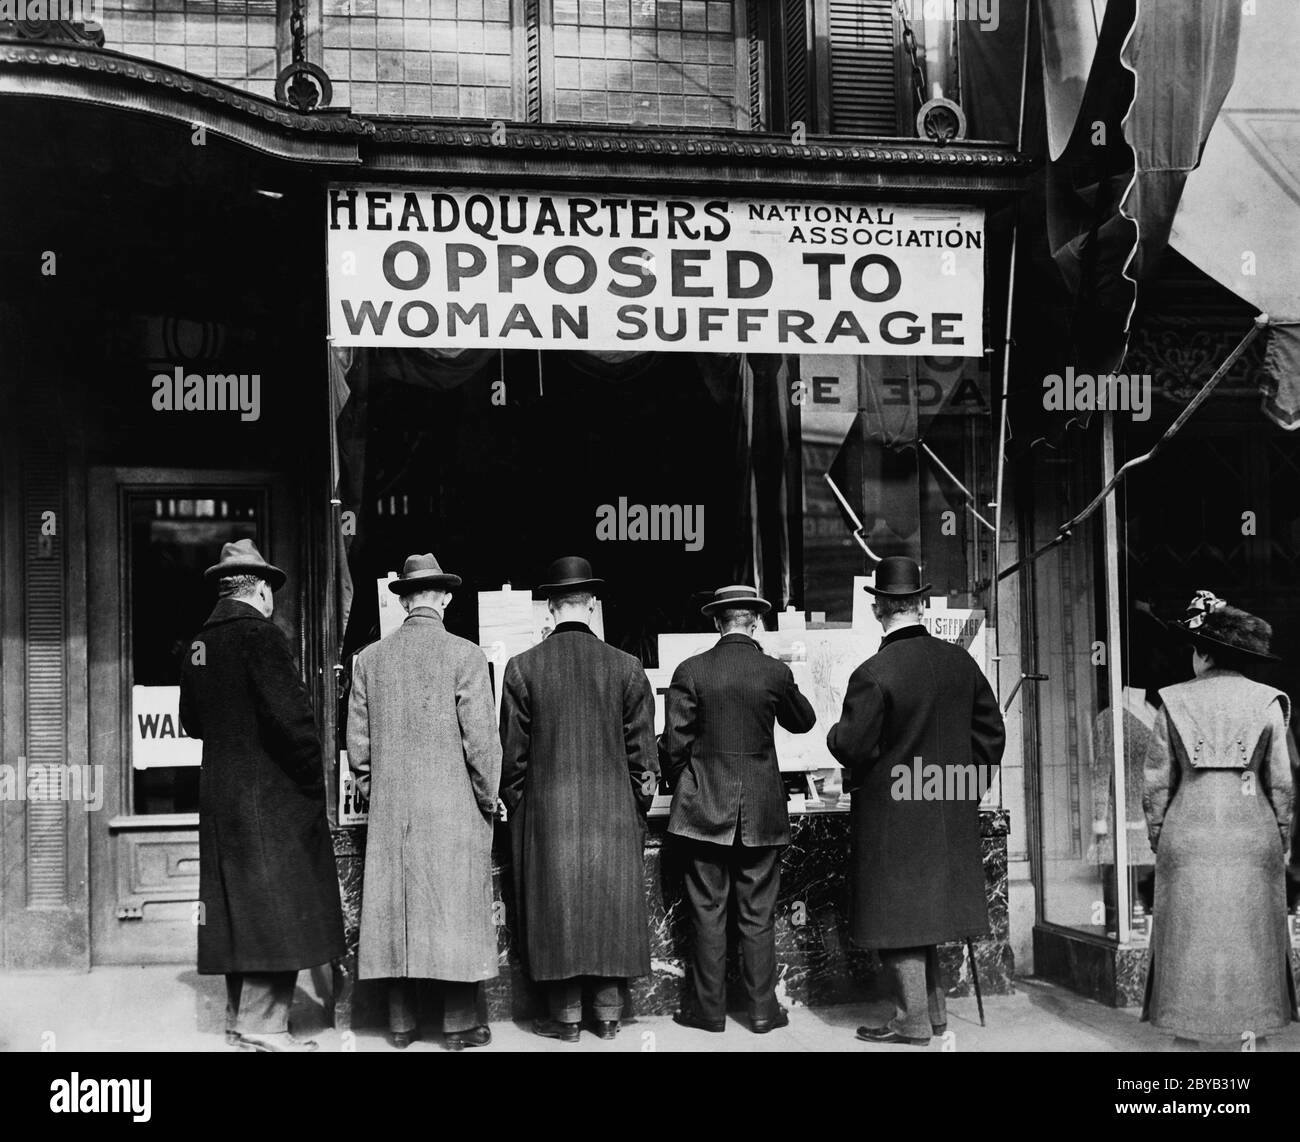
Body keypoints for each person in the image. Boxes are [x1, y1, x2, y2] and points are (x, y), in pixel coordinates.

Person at [827, 556, 1005, 1046]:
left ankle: (911, 1023)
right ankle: (934, 1018)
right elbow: (991, 736)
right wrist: (962, 789)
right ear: (921, 604)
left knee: (899, 918)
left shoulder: (874, 672)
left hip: (891, 816)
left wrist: (831, 735)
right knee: (927, 915)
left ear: (879, 607)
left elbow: (851, 745)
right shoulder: (959, 662)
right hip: (946, 806)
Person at [179, 539, 345, 1052]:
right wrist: (310, 782)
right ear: (262, 592)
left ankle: (240, 1020)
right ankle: (262, 1026)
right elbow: (294, 724)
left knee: (238, 910)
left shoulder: (199, 644)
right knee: (276, 910)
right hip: (271, 801)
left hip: (221, 797)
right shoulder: (262, 637)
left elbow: (191, 722)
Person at [498, 556, 659, 1042]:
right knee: (609, 909)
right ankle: (608, 1016)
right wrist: (634, 805)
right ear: (592, 605)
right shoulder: (627, 668)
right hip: (612, 815)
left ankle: (565, 1018)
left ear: (550, 607)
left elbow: (512, 761)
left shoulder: (522, 668)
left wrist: (524, 811)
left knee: (557, 911)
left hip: (548, 819)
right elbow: (645, 762)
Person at [347, 554, 502, 1051]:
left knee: (398, 915)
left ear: (403, 600)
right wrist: (487, 799)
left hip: (394, 812)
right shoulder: (466, 655)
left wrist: (383, 795)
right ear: (445, 598)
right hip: (454, 810)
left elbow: (359, 750)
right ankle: (458, 1027)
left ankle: (400, 1025)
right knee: (455, 913)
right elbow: (482, 744)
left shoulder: (369, 659)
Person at [660, 585, 817, 1035]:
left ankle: (709, 1013)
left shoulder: (691, 670)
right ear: (756, 623)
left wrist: (684, 781)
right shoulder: (772, 671)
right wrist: (779, 675)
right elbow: (802, 720)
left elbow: (674, 745)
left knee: (707, 913)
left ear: (716, 622)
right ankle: (764, 1011)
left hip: (703, 811)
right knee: (757, 914)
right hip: (762, 814)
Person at [1141, 593, 1297, 1044]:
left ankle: (1188, 1039)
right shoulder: (1269, 702)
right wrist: (1280, 837)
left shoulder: (1172, 702)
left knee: (1189, 942)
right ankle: (1254, 1036)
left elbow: (1156, 783)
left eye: (1194, 649)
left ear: (1204, 653)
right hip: (1253, 837)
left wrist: (1159, 836)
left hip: (1187, 834)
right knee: (1253, 944)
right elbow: (1282, 784)